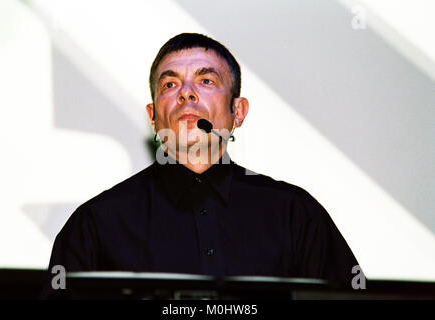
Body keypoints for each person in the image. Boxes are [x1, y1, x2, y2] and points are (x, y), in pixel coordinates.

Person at [44, 33, 360, 296]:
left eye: (206, 80)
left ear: (238, 111)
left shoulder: (295, 215)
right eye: (170, 85)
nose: (186, 94)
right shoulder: (95, 224)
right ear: (153, 117)